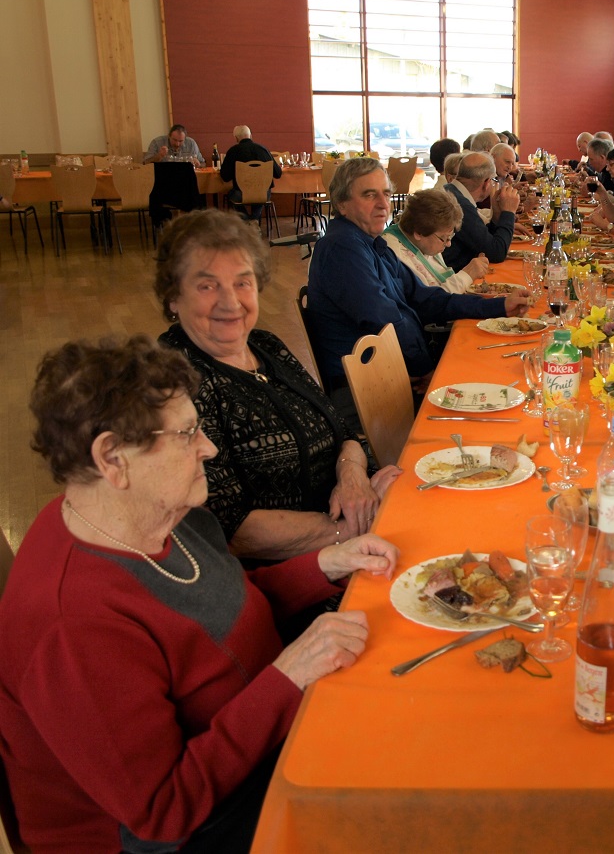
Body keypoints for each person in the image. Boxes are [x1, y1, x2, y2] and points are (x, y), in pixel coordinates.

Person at [0, 335, 398, 851]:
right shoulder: (72, 624)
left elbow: (224, 603)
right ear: (112, 458)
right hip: (186, 826)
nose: (207, 447)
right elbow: (163, 813)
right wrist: (290, 674)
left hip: (258, 731)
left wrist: (324, 563)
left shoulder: (151, 513)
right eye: (188, 434)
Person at [155, 209, 399, 559]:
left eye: (242, 282)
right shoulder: (176, 382)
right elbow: (234, 530)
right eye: (207, 285)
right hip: (298, 572)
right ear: (173, 297)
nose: (230, 302)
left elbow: (343, 431)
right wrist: (354, 528)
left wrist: (354, 477)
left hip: (356, 521)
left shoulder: (264, 345)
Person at [306, 158, 528, 413]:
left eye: (386, 194)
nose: (382, 205)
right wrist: (426, 368)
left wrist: (500, 306)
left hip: (393, 368)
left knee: (493, 370)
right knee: (498, 387)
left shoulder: (370, 243)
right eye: (369, 195)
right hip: (366, 386)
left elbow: (425, 298)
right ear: (342, 203)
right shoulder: (342, 249)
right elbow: (385, 321)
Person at [382, 189, 488, 293]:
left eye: (450, 237)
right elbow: (431, 302)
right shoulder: (395, 253)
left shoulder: (425, 240)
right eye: (444, 238)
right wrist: (467, 274)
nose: (449, 244)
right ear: (419, 233)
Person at [441, 151, 519, 270]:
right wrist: (508, 212)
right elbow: (496, 253)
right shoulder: (458, 204)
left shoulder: (451, 191)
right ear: (487, 183)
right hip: (452, 279)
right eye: (494, 180)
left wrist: (497, 216)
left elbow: (483, 241)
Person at [220, 125, 282, 221]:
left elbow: (225, 177)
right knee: (259, 195)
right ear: (250, 135)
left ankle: (248, 221)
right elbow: (278, 174)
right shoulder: (263, 150)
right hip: (264, 193)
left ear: (236, 138)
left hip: (241, 194)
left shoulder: (233, 151)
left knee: (232, 195)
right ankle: (254, 220)